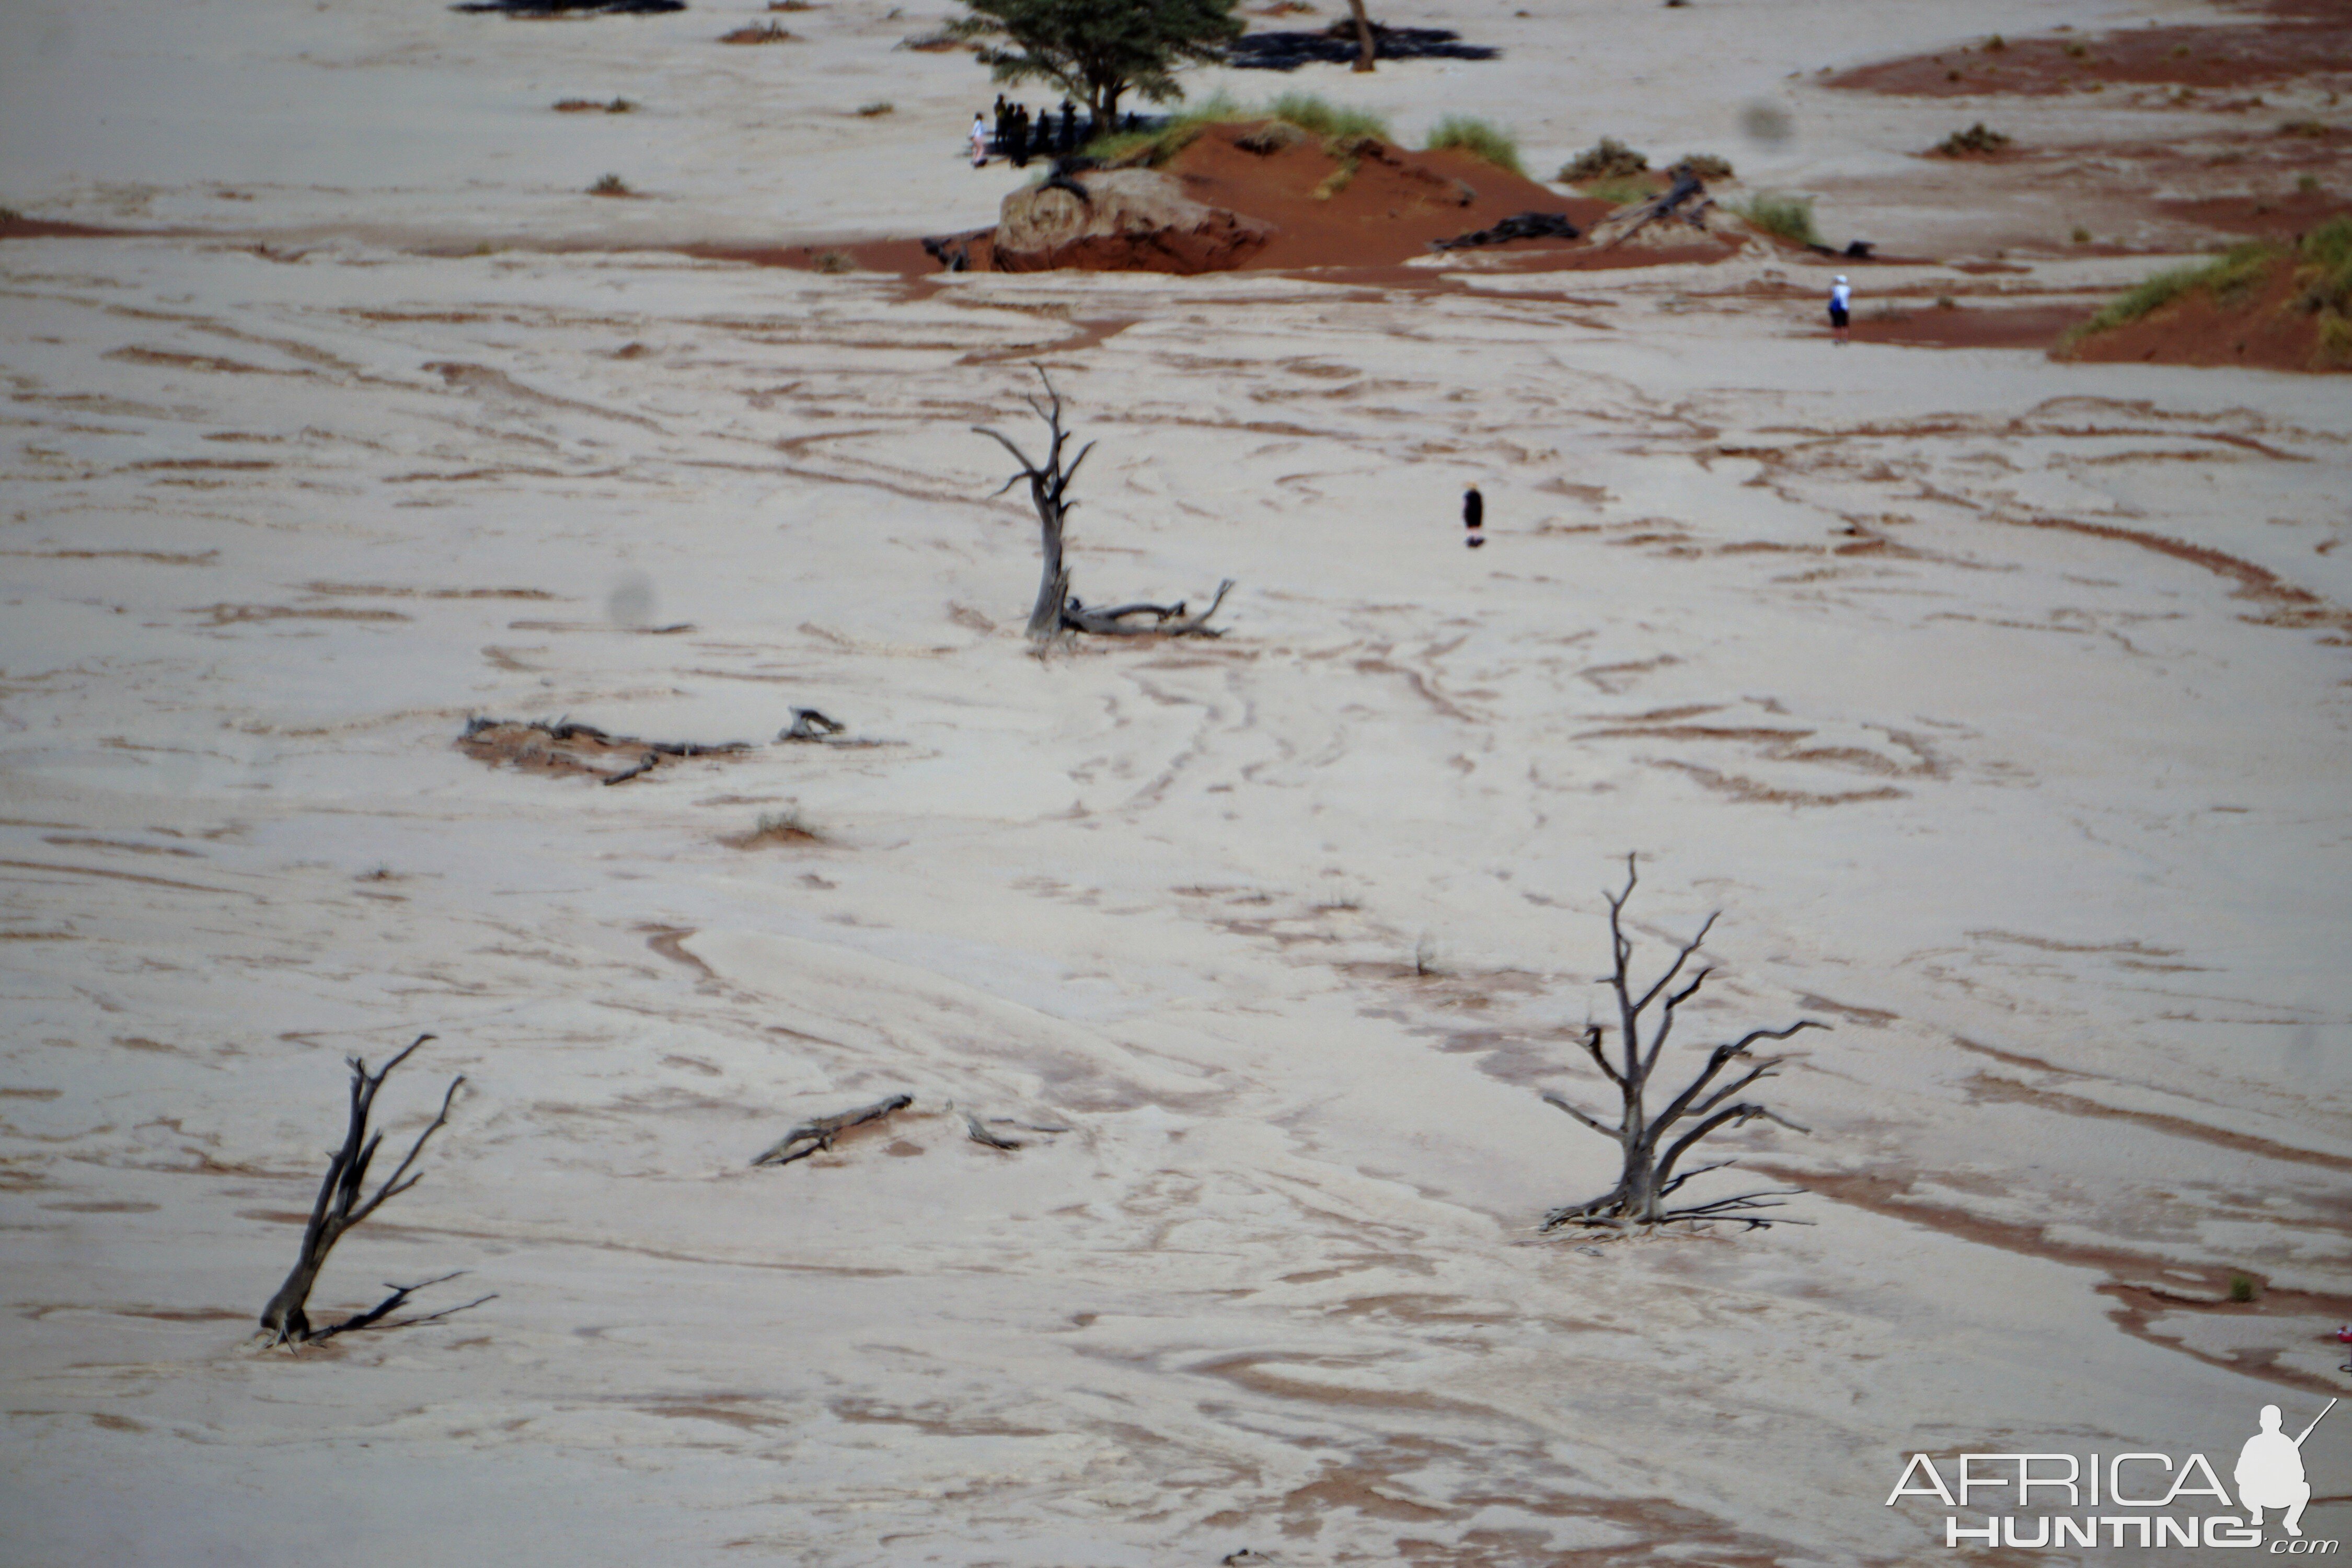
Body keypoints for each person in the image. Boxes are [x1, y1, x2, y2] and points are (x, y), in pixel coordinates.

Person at [2236, 1403, 2323, 1538]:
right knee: (2244, 1487)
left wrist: (2281, 1472)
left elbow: (2300, 1475)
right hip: (2258, 1495)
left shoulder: (2287, 1444)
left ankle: (2291, 1522)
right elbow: (2240, 1474)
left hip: (2280, 1495)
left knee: (2304, 1488)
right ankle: (2257, 1512)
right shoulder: (2254, 1443)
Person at [1828, 274, 1852, 346]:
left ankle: (1837, 339)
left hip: (1837, 308)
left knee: (1836, 325)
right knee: (1845, 325)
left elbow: (1829, 290)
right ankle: (1845, 339)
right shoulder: (1848, 289)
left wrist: (1833, 281)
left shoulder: (1836, 288)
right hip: (1845, 308)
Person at [1462, 483, 1484, 549]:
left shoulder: (1468, 495)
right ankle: (1476, 538)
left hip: (1470, 512)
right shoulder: (1478, 495)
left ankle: (1471, 538)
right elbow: (1481, 505)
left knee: (1470, 526)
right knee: (1476, 526)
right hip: (1477, 512)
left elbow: (1465, 505)